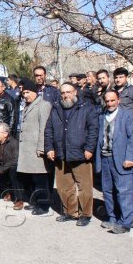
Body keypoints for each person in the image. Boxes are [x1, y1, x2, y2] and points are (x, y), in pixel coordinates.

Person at [45, 82, 99, 226]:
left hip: (80, 153)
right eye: (62, 93)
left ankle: (85, 214)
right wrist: (49, 148)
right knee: (64, 186)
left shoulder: (86, 107)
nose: (65, 95)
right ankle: (70, 212)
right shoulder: (56, 108)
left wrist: (89, 148)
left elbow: (93, 129)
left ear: (75, 92)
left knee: (84, 186)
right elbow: (49, 129)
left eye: (68, 92)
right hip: (61, 153)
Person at [96, 90, 133, 233]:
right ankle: (112, 217)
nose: (110, 103)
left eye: (112, 100)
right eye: (107, 101)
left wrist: (130, 158)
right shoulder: (102, 116)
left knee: (124, 191)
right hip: (105, 158)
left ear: (118, 100)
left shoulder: (126, 115)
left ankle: (126, 222)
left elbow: (132, 138)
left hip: (121, 159)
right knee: (107, 190)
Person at [15, 80, 52, 215]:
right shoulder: (28, 105)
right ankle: (35, 202)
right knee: (31, 178)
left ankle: (43, 205)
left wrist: (41, 148)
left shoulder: (44, 105)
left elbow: (44, 128)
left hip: (37, 149)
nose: (25, 95)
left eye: (27, 92)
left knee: (40, 179)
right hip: (27, 149)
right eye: (23, 92)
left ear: (35, 92)